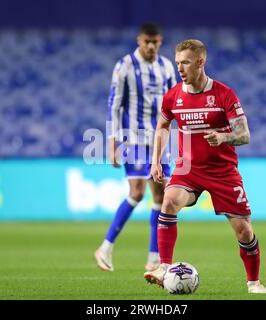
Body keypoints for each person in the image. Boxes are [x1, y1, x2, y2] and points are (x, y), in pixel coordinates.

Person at [143, 39, 266, 293]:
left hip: (223, 173)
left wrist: (224, 137)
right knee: (169, 200)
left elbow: (244, 135)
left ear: (201, 62)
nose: (180, 68)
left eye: (185, 63)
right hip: (188, 168)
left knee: (244, 231)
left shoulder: (224, 94)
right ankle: (164, 266)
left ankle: (254, 282)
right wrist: (156, 160)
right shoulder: (173, 96)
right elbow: (163, 126)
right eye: (177, 63)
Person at [94, 23, 177, 272]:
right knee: (138, 191)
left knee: (162, 197)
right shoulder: (125, 66)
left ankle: (153, 259)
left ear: (160, 41)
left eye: (155, 42)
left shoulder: (166, 67)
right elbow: (114, 104)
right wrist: (112, 142)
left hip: (159, 140)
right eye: (146, 42)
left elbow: (175, 101)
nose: (151, 46)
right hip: (134, 138)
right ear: (139, 40)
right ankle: (106, 247)